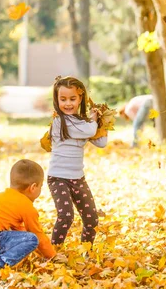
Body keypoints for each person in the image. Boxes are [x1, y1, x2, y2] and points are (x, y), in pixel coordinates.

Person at [47, 76, 107, 245]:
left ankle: (86, 251)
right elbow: (88, 130)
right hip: (58, 178)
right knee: (66, 216)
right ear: (56, 99)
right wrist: (93, 119)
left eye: (72, 99)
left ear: (81, 99)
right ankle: (53, 252)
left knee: (92, 220)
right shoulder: (59, 122)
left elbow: (101, 142)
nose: (68, 103)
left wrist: (102, 121)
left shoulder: (83, 124)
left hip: (77, 178)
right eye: (63, 99)